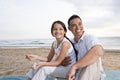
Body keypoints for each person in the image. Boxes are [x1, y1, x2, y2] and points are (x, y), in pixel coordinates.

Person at [65, 14, 106, 80]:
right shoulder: (70, 42)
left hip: (94, 75)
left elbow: (98, 51)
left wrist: (74, 66)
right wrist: (63, 62)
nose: (78, 27)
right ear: (69, 28)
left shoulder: (89, 38)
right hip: (78, 74)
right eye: (74, 25)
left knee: (92, 58)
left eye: (79, 24)